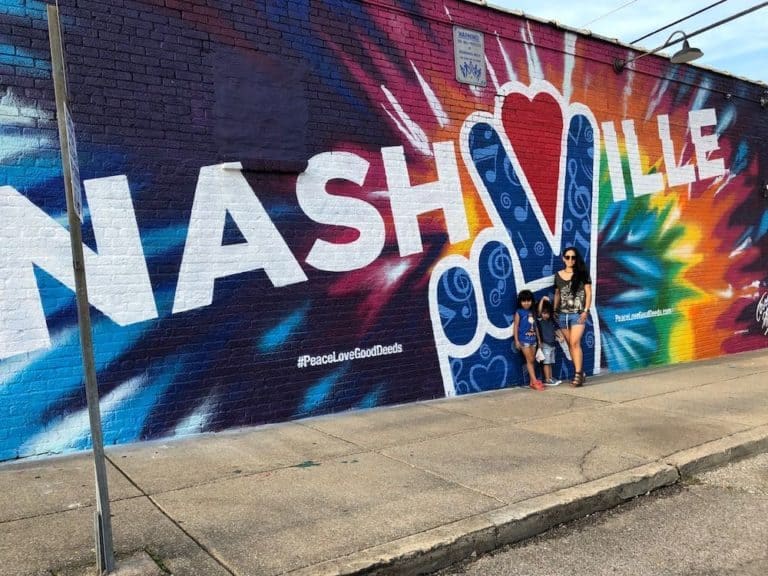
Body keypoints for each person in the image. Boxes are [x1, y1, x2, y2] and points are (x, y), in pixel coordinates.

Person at [553, 246, 592, 387]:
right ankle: (581, 372)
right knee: (571, 344)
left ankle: (577, 375)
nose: (570, 260)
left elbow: (588, 293)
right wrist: (554, 311)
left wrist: (586, 310)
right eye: (568, 257)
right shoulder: (558, 275)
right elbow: (557, 294)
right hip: (562, 315)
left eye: (573, 257)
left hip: (577, 314)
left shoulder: (582, 273)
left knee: (575, 343)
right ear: (563, 258)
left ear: (576, 259)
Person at [514, 289, 545, 391]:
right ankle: (535, 381)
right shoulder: (519, 312)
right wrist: (517, 340)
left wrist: (539, 340)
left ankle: (532, 382)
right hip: (524, 340)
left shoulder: (533, 312)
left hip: (533, 340)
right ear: (520, 302)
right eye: (524, 301)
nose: (526, 303)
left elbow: (535, 327)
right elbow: (516, 326)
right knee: (530, 360)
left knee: (532, 360)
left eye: (528, 301)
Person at [537, 296, 564, 386]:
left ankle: (551, 377)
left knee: (550, 363)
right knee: (546, 362)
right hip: (545, 345)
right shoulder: (540, 321)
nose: (545, 315)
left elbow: (555, 331)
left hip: (552, 345)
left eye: (547, 313)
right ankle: (547, 379)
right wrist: (543, 299)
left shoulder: (551, 322)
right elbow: (539, 310)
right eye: (544, 313)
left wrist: (560, 337)